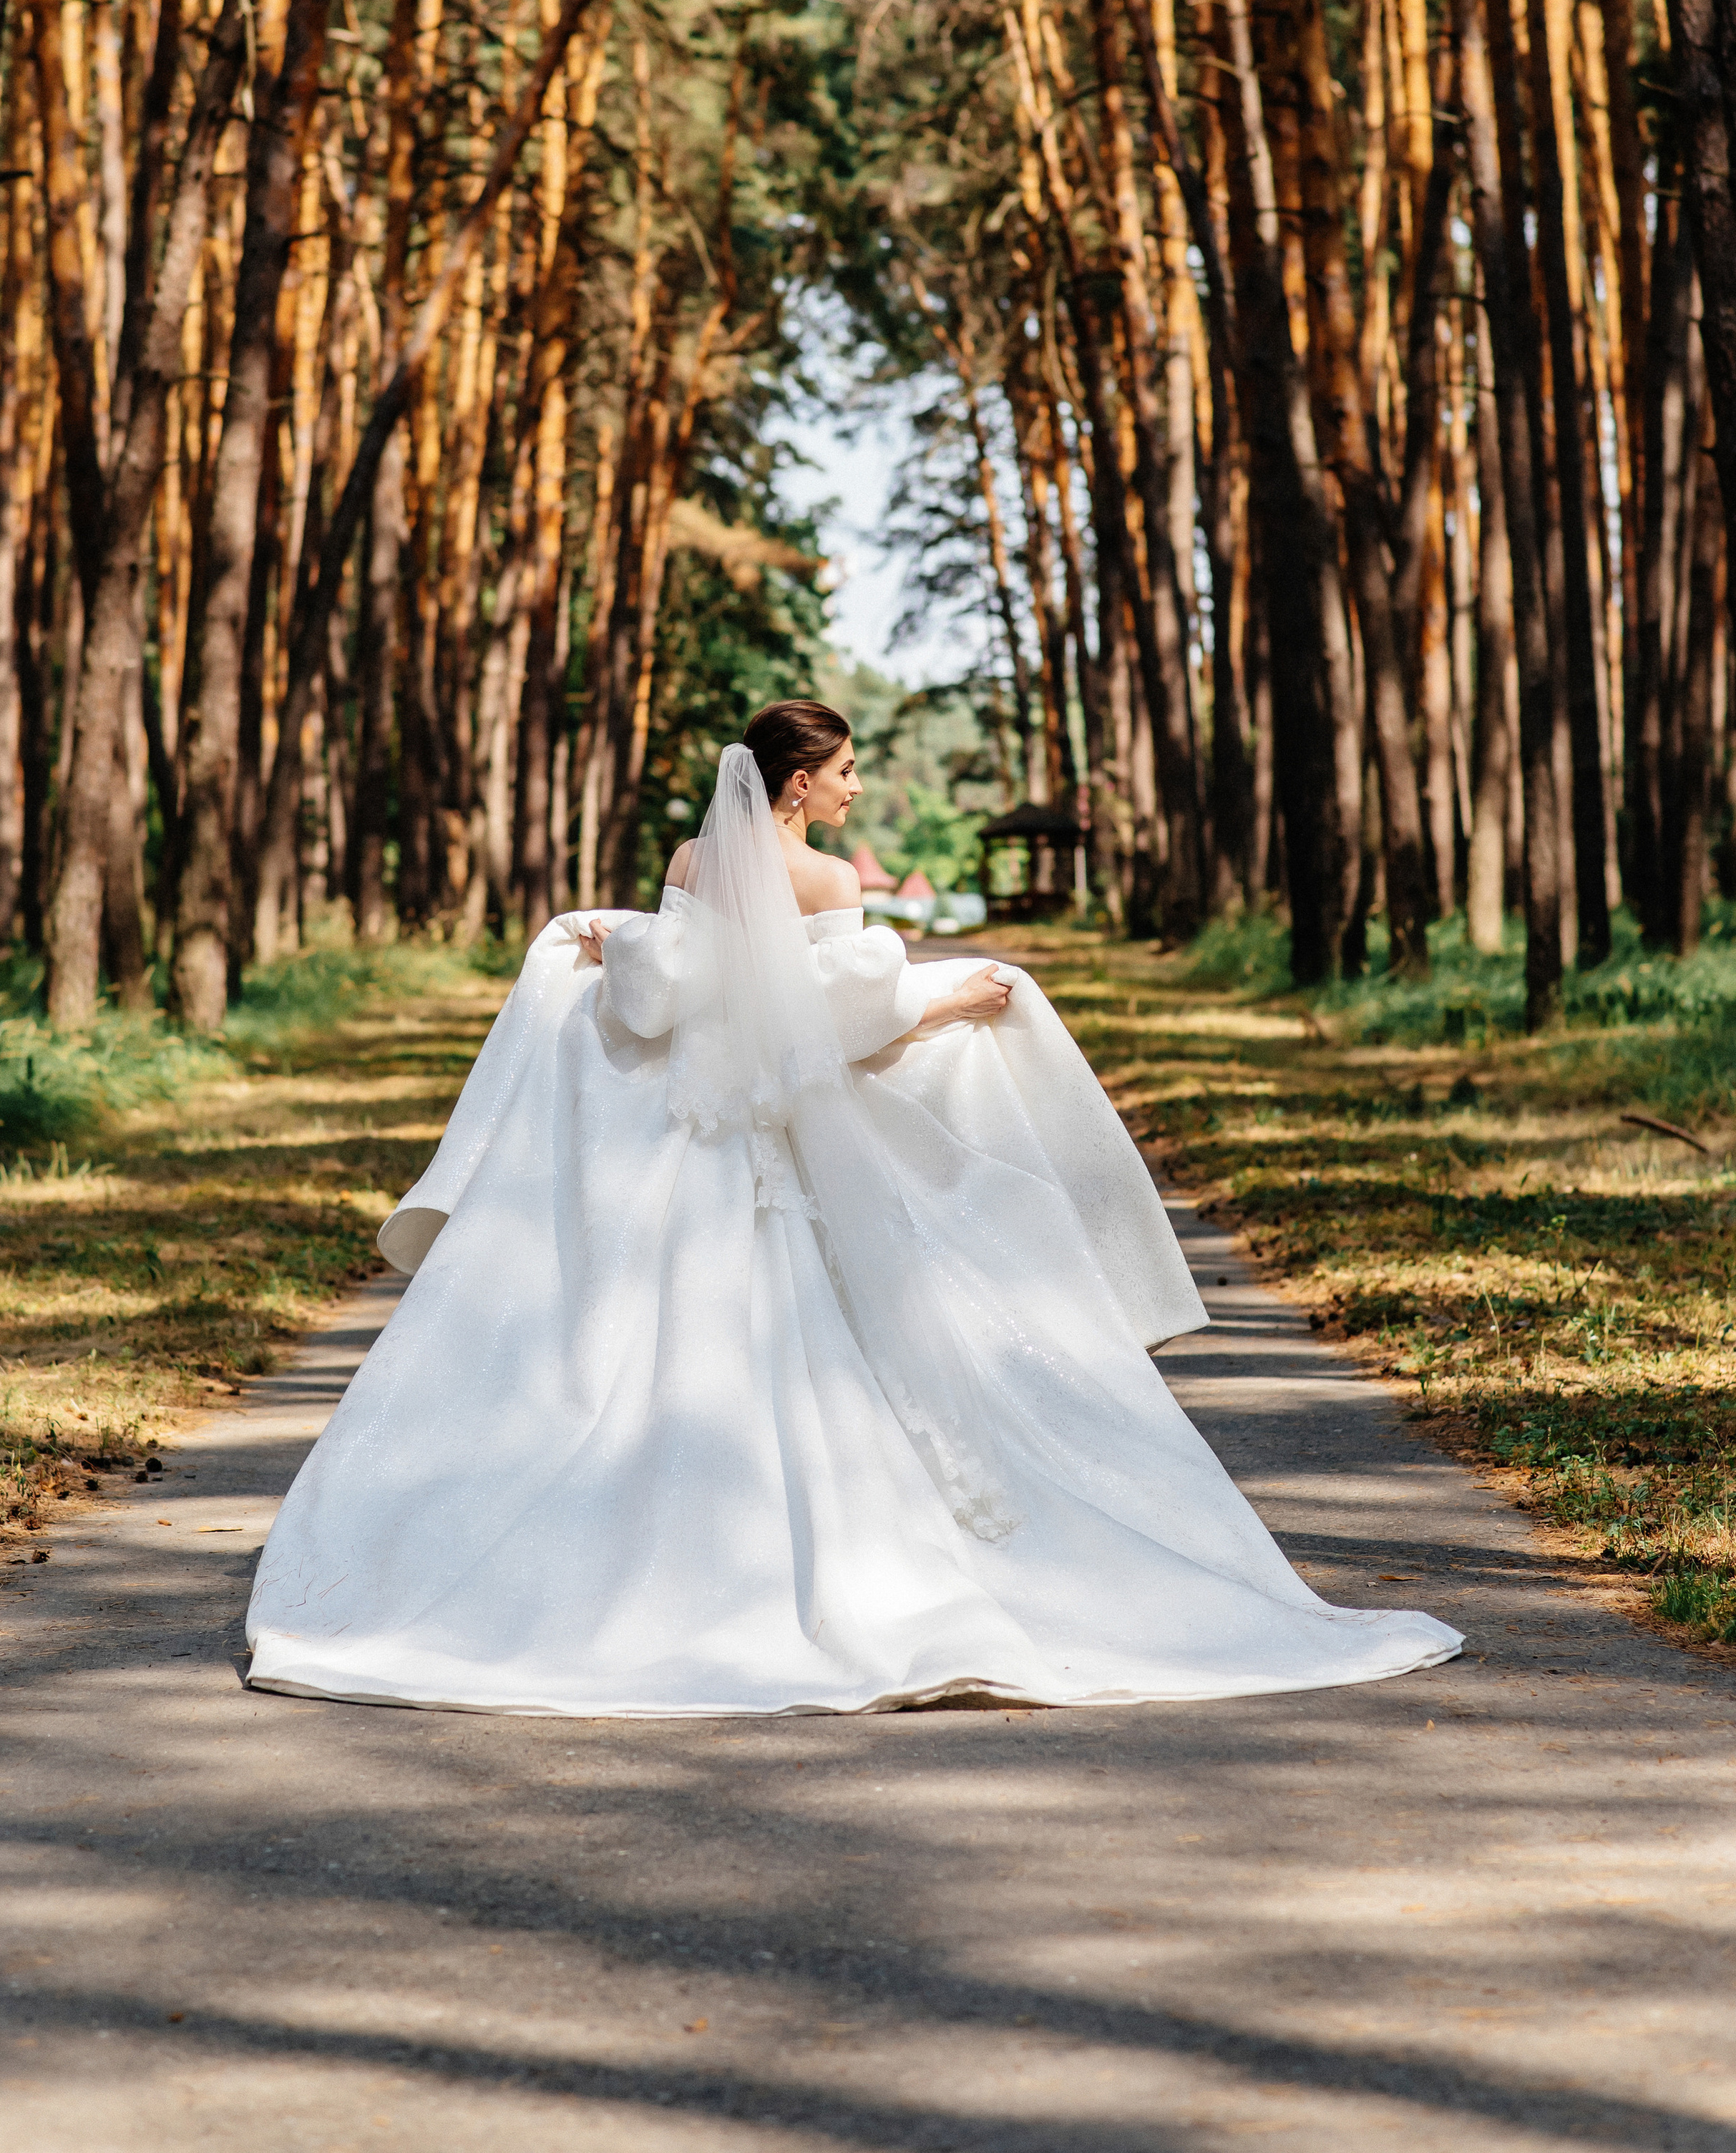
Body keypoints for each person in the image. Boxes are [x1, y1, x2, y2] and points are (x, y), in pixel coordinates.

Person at [247, 698, 1460, 1714]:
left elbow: (672, 996)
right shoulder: (823, 875)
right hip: (779, 1149)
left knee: (652, 1357)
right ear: (792, 784)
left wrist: (607, 941)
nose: (858, 785)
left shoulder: (685, 865)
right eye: (842, 769)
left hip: (691, 1147)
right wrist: (943, 1000)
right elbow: (825, 1016)